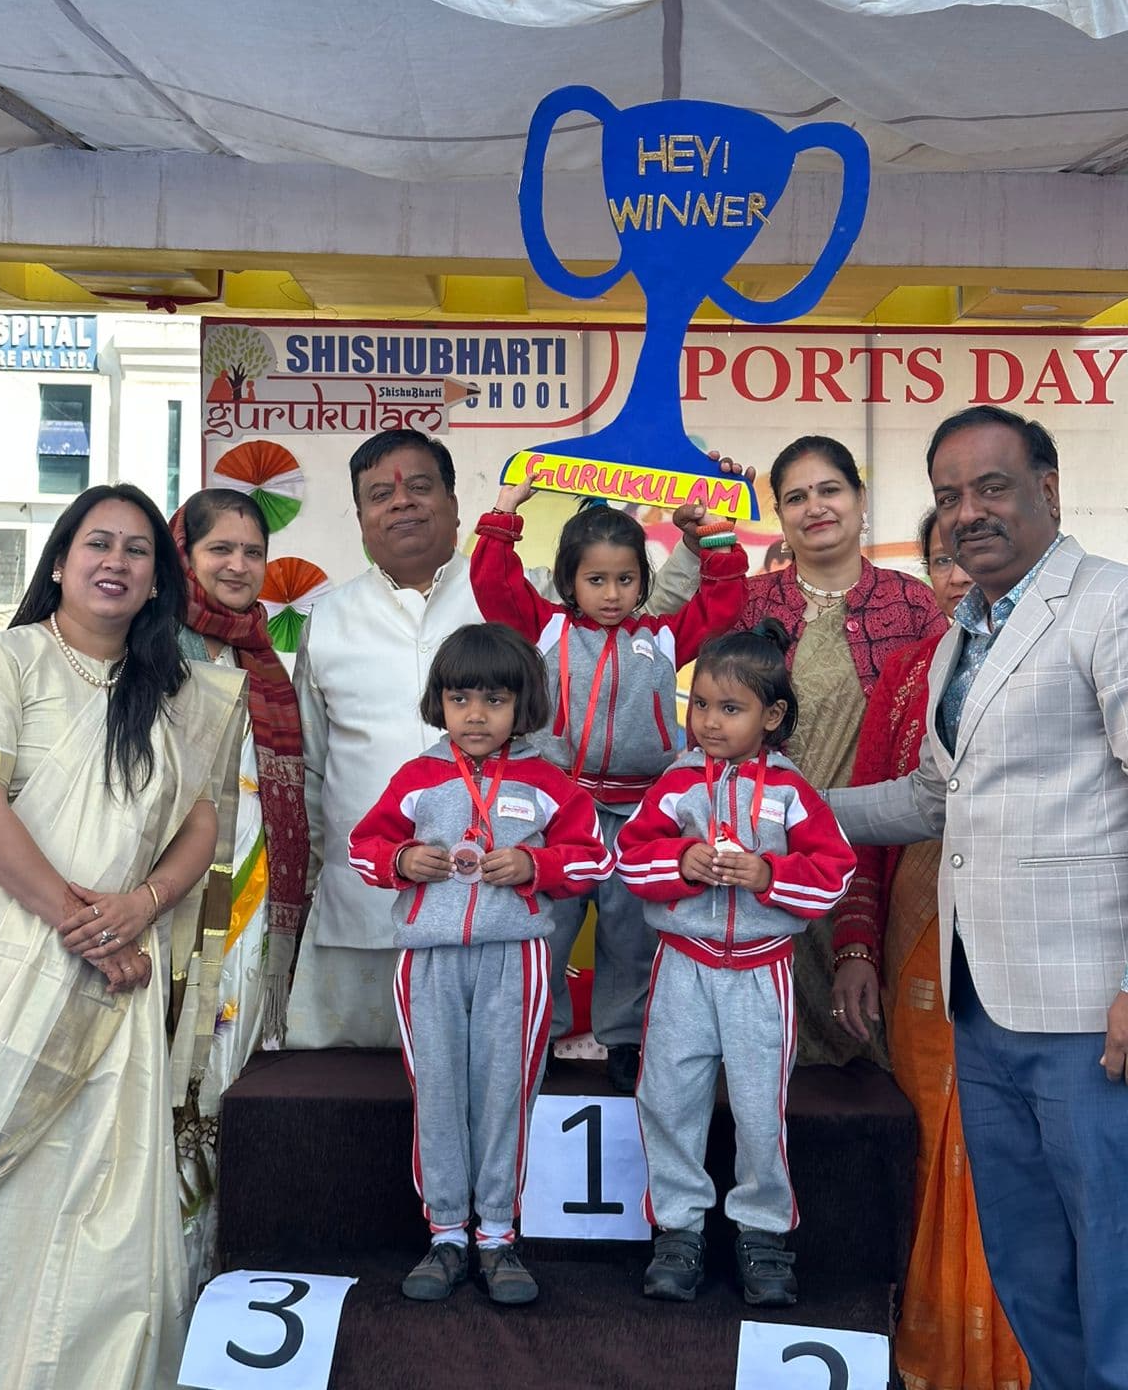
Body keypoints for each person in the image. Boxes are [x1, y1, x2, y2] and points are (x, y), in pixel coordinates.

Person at [830, 406, 1128, 1390]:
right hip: (982, 1007)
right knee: (1031, 1265)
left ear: (1048, 486)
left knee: (1114, 1266)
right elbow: (930, 796)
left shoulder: (1108, 606)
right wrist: (780, 808)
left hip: (1089, 1013)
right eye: (949, 496)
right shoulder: (968, 631)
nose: (968, 512)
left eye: (991, 486)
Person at [0, 484, 246, 1390]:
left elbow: (200, 826)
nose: (116, 561)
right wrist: (85, 922)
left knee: (99, 1189)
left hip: (116, 972)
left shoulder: (181, 692)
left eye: (137, 550)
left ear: (157, 581)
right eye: (96, 543)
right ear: (60, 560)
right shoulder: (6, 659)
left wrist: (141, 905)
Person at [288, 429, 721, 1051]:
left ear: (456, 503)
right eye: (380, 494)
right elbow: (312, 766)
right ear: (359, 516)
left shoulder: (534, 592)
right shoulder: (325, 619)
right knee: (361, 1099)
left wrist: (701, 506)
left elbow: (654, 607)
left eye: (419, 486)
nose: (402, 503)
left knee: (507, 1061)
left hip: (504, 894)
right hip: (362, 909)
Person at [348, 623, 608, 1304]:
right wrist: (402, 859)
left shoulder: (548, 782)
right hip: (428, 962)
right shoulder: (417, 778)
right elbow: (362, 848)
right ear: (440, 702)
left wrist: (535, 864)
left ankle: (497, 1234)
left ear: (523, 706)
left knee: (503, 1097)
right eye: (461, 698)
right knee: (438, 1096)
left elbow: (592, 859)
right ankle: (446, 1235)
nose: (476, 715)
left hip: (515, 960)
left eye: (494, 700)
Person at [469, 476, 747, 1092]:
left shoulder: (663, 637)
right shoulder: (544, 629)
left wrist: (715, 539)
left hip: (637, 810)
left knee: (630, 931)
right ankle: (537, 1035)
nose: (613, 594)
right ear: (568, 581)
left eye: (626, 580)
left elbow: (723, 604)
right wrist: (504, 513)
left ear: (642, 582)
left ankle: (625, 1039)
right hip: (557, 813)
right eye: (597, 580)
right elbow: (493, 581)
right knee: (545, 925)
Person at [833, 510, 1027, 1390]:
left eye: (967, 557)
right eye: (939, 560)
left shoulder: (1067, 655)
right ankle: (933, 1354)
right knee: (928, 1147)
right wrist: (853, 945)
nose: (955, 576)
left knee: (1018, 1153)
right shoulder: (917, 672)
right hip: (919, 938)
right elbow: (886, 812)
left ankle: (1025, 1359)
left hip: (1034, 948)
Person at [618, 622, 856, 1306]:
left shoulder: (791, 792)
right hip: (683, 966)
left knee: (759, 1109)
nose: (711, 723)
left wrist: (767, 875)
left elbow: (832, 873)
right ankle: (679, 1230)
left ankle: (763, 1233)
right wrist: (680, 862)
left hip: (761, 971)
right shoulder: (673, 784)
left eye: (731, 709)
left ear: (771, 717)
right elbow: (631, 860)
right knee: (667, 1098)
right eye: (700, 706)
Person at [689, 435, 946, 1064]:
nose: (815, 507)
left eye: (829, 490)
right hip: (760, 859)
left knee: (871, 1051)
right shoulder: (748, 603)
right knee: (764, 1050)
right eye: (795, 497)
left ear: (860, 501)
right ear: (779, 515)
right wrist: (704, 533)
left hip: (878, 854)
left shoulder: (914, 603)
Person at [170, 487, 311, 1289]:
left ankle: (225, 1263)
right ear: (182, 554)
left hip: (255, 920)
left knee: (235, 1078)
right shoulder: (152, 646)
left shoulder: (264, 660)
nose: (237, 565)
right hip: (175, 910)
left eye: (252, 552)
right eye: (219, 548)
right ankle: (172, 1276)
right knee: (173, 1092)